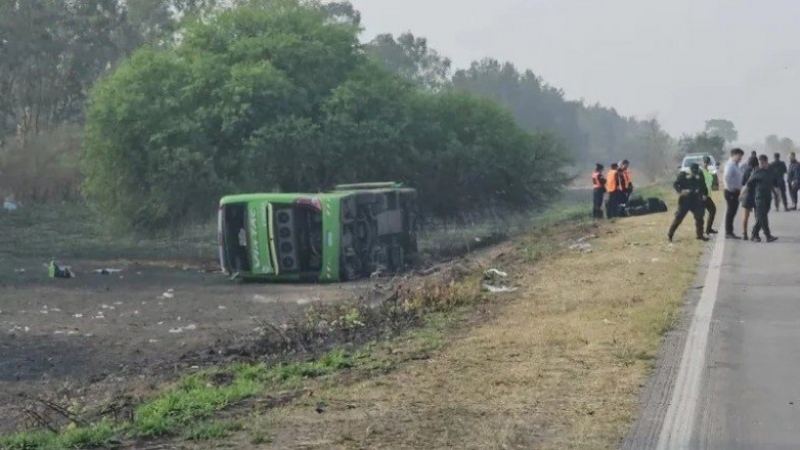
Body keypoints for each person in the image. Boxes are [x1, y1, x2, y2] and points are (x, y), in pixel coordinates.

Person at [667, 163, 709, 242]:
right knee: (679, 218)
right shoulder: (683, 175)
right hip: (685, 200)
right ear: (690, 170)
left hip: (696, 199)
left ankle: (700, 235)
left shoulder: (700, 175)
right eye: (693, 172)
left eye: (696, 172)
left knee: (699, 217)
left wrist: (704, 195)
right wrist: (681, 191)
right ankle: (670, 234)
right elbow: (675, 184)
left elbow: (704, 186)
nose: (695, 173)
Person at [746, 154, 779, 242]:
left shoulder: (771, 170)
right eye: (760, 163)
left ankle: (754, 234)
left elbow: (775, 183)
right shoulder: (756, 171)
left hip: (768, 197)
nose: (761, 165)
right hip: (759, 197)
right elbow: (749, 184)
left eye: (763, 163)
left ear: (766, 162)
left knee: (761, 217)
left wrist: (776, 193)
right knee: (763, 216)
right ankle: (768, 236)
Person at [723, 148, 745, 239]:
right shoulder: (731, 165)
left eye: (741, 156)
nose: (740, 158)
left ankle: (730, 231)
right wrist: (731, 189)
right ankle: (728, 232)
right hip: (731, 192)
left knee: (732, 212)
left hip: (735, 191)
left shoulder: (736, 165)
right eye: (739, 156)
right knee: (730, 212)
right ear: (734, 155)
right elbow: (726, 178)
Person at [740, 156, 759, 240]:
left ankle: (745, 234)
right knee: (757, 216)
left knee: (746, 216)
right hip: (757, 195)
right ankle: (755, 234)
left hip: (747, 194)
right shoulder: (759, 171)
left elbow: (743, 182)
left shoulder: (746, 170)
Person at [701, 156, 718, 235]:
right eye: (705, 162)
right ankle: (706, 230)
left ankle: (708, 229)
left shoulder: (708, 171)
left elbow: (710, 183)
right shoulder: (701, 171)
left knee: (712, 210)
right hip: (702, 196)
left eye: (707, 162)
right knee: (711, 210)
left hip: (707, 195)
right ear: (702, 162)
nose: (706, 164)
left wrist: (713, 186)